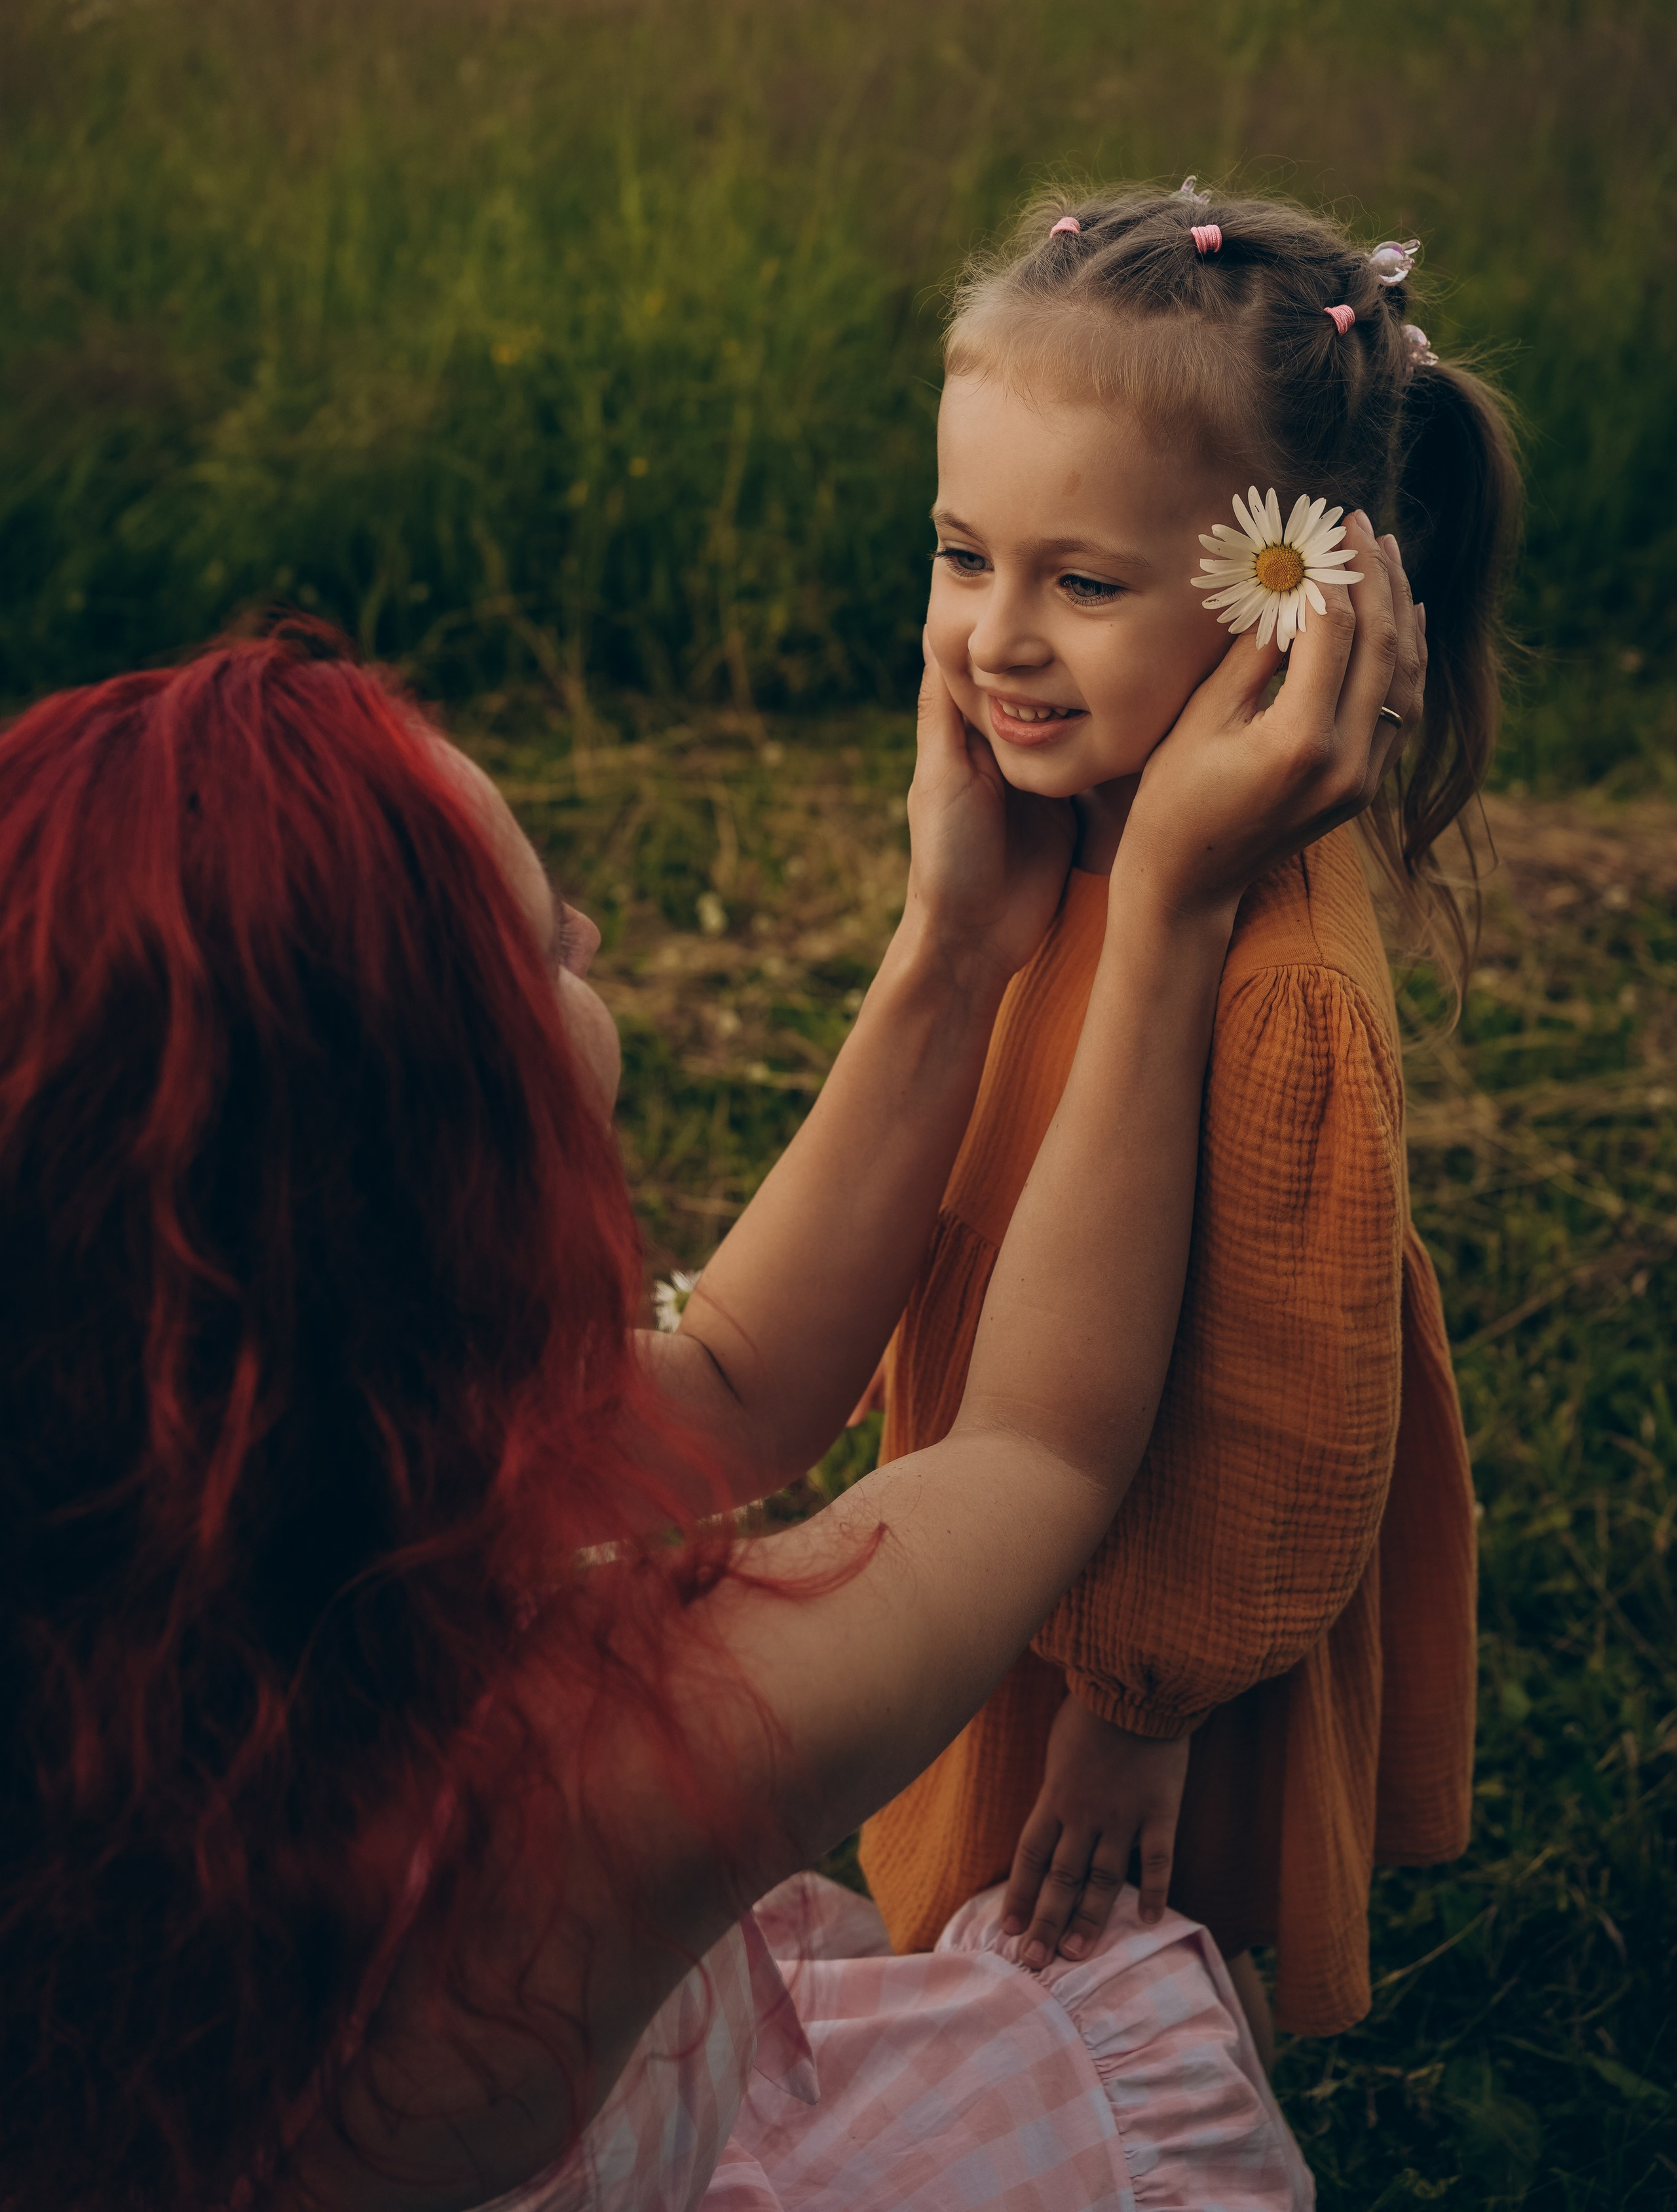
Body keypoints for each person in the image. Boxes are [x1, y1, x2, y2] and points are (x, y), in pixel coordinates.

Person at [0, 540, 1418, 2212]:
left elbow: (734, 1384)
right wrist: (1166, 913)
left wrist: (955, 945)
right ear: (430, 1158)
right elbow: (1032, 1455)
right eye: (550, 953)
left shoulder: (168, 1476)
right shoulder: (573, 1795)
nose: (592, 931)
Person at [859, 183, 1518, 2052]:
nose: (995, 638)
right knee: (976, 1954)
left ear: (1283, 597)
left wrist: (1143, 1712)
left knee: (1108, 1979)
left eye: (1082, 583)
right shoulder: (1050, 840)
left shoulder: (1279, 987)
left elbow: (1291, 1403)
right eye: (962, 554)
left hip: (1163, 1615)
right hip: (1013, 1525)